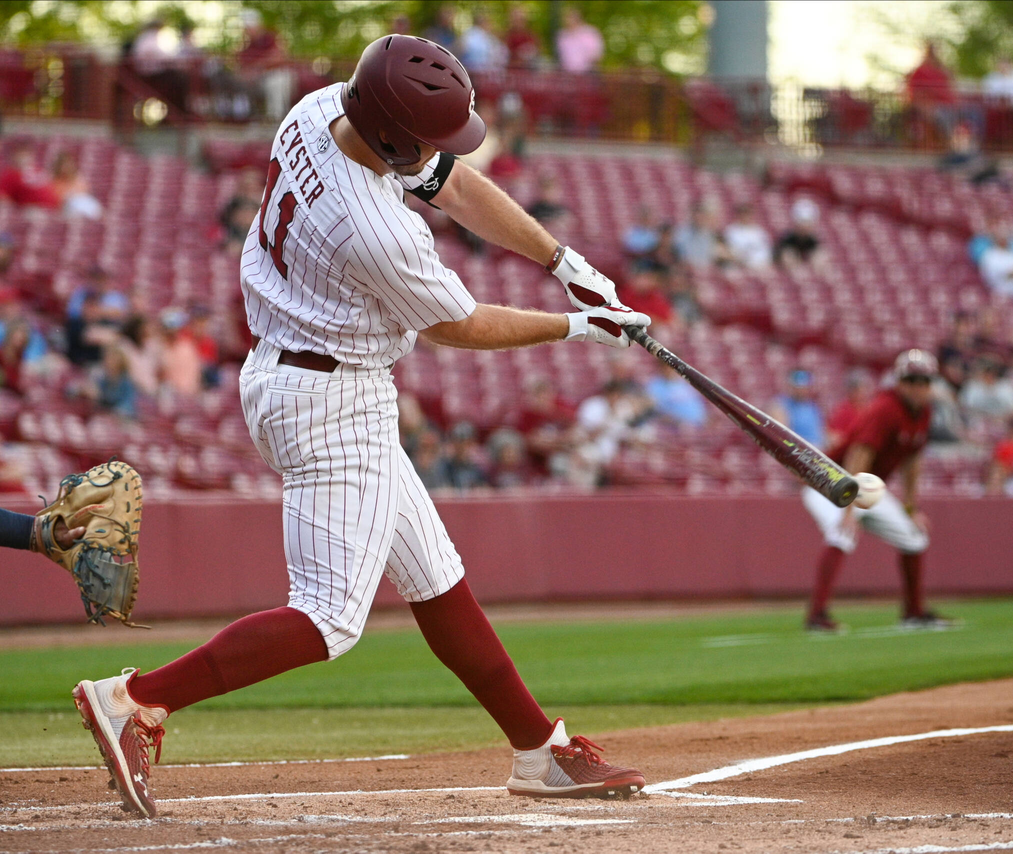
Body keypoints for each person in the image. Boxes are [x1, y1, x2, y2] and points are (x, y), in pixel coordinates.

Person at [71, 34, 650, 817]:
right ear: (388, 134)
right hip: (328, 400)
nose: (442, 153)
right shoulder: (373, 229)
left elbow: (454, 185)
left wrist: (563, 262)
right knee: (328, 618)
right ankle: (135, 700)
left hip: (312, 375)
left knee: (435, 577)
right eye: (427, 140)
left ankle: (537, 750)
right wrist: (579, 329)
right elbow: (463, 326)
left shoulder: (320, 109)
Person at [802, 350, 949, 633]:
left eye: (924, 381)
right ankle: (817, 615)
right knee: (841, 533)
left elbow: (912, 462)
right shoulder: (886, 408)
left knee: (913, 537)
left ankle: (913, 612)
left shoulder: (924, 411)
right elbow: (859, 456)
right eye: (911, 380)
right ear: (899, 382)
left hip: (866, 486)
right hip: (831, 481)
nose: (918, 387)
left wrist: (910, 507)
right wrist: (849, 510)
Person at [0, 141, 59, 209]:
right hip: (31, 209)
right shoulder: (10, 175)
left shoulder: (38, 170)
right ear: (14, 156)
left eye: (27, 154)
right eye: (20, 154)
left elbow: (51, 188)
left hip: (54, 208)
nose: (24, 158)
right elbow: (0, 198)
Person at [770, 369, 825, 448]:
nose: (801, 390)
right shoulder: (780, 405)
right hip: (798, 450)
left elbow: (821, 432)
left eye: (804, 386)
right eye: (798, 387)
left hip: (818, 449)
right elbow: (781, 434)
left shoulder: (813, 406)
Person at [645, 361, 705, 428]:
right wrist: (679, 422)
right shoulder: (655, 385)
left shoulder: (686, 383)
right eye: (669, 367)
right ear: (662, 367)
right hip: (672, 428)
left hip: (697, 427)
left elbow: (699, 407)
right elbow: (655, 410)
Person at [826, 369, 872, 449]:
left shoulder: (868, 410)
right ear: (853, 391)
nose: (865, 392)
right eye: (862, 388)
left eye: (866, 388)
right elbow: (833, 436)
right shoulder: (843, 411)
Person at [673, 201, 726, 270]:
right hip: (687, 270)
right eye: (696, 215)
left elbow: (716, 254)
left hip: (706, 270)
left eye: (701, 215)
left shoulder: (711, 235)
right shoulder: (681, 233)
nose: (699, 218)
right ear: (692, 216)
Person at [51, 152, 103, 220]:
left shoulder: (78, 178)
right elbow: (57, 198)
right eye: (62, 165)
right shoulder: (54, 181)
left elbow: (86, 193)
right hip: (68, 207)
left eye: (67, 165)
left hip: (84, 203)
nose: (65, 168)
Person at [774, 198, 821, 268]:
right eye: (803, 222)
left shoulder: (814, 242)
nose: (805, 227)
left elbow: (819, 262)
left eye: (807, 223)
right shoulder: (786, 240)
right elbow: (787, 261)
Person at [723, 203, 772, 269]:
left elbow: (766, 249)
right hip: (738, 265)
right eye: (743, 213)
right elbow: (728, 250)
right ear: (738, 215)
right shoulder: (731, 231)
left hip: (759, 265)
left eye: (747, 214)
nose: (745, 216)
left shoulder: (759, 231)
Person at [556, 7, 603, 73]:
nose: (567, 20)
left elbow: (596, 55)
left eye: (570, 17)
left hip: (587, 72)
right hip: (568, 74)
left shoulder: (590, 33)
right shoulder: (562, 35)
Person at [504, 5, 541, 70]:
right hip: (511, 73)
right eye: (515, 18)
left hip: (528, 72)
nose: (518, 21)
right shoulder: (505, 36)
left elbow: (537, 52)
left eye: (520, 18)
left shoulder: (531, 35)